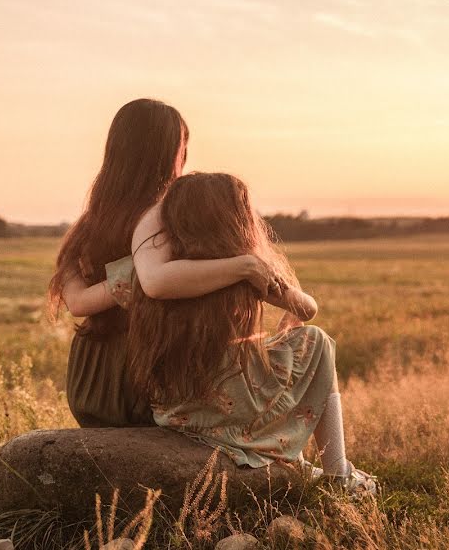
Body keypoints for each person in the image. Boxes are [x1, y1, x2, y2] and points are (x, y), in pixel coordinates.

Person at [127, 172, 376, 496]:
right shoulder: (242, 270)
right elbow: (307, 308)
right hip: (225, 406)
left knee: (257, 351)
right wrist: (270, 283)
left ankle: (297, 465)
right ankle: (339, 473)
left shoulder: (168, 267)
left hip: (173, 409)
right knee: (316, 342)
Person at [48, 99, 286, 428]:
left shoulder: (88, 225)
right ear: (169, 153)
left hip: (87, 381)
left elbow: (77, 302)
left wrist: (124, 280)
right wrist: (143, 275)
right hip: (142, 376)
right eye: (183, 146)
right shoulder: (168, 222)